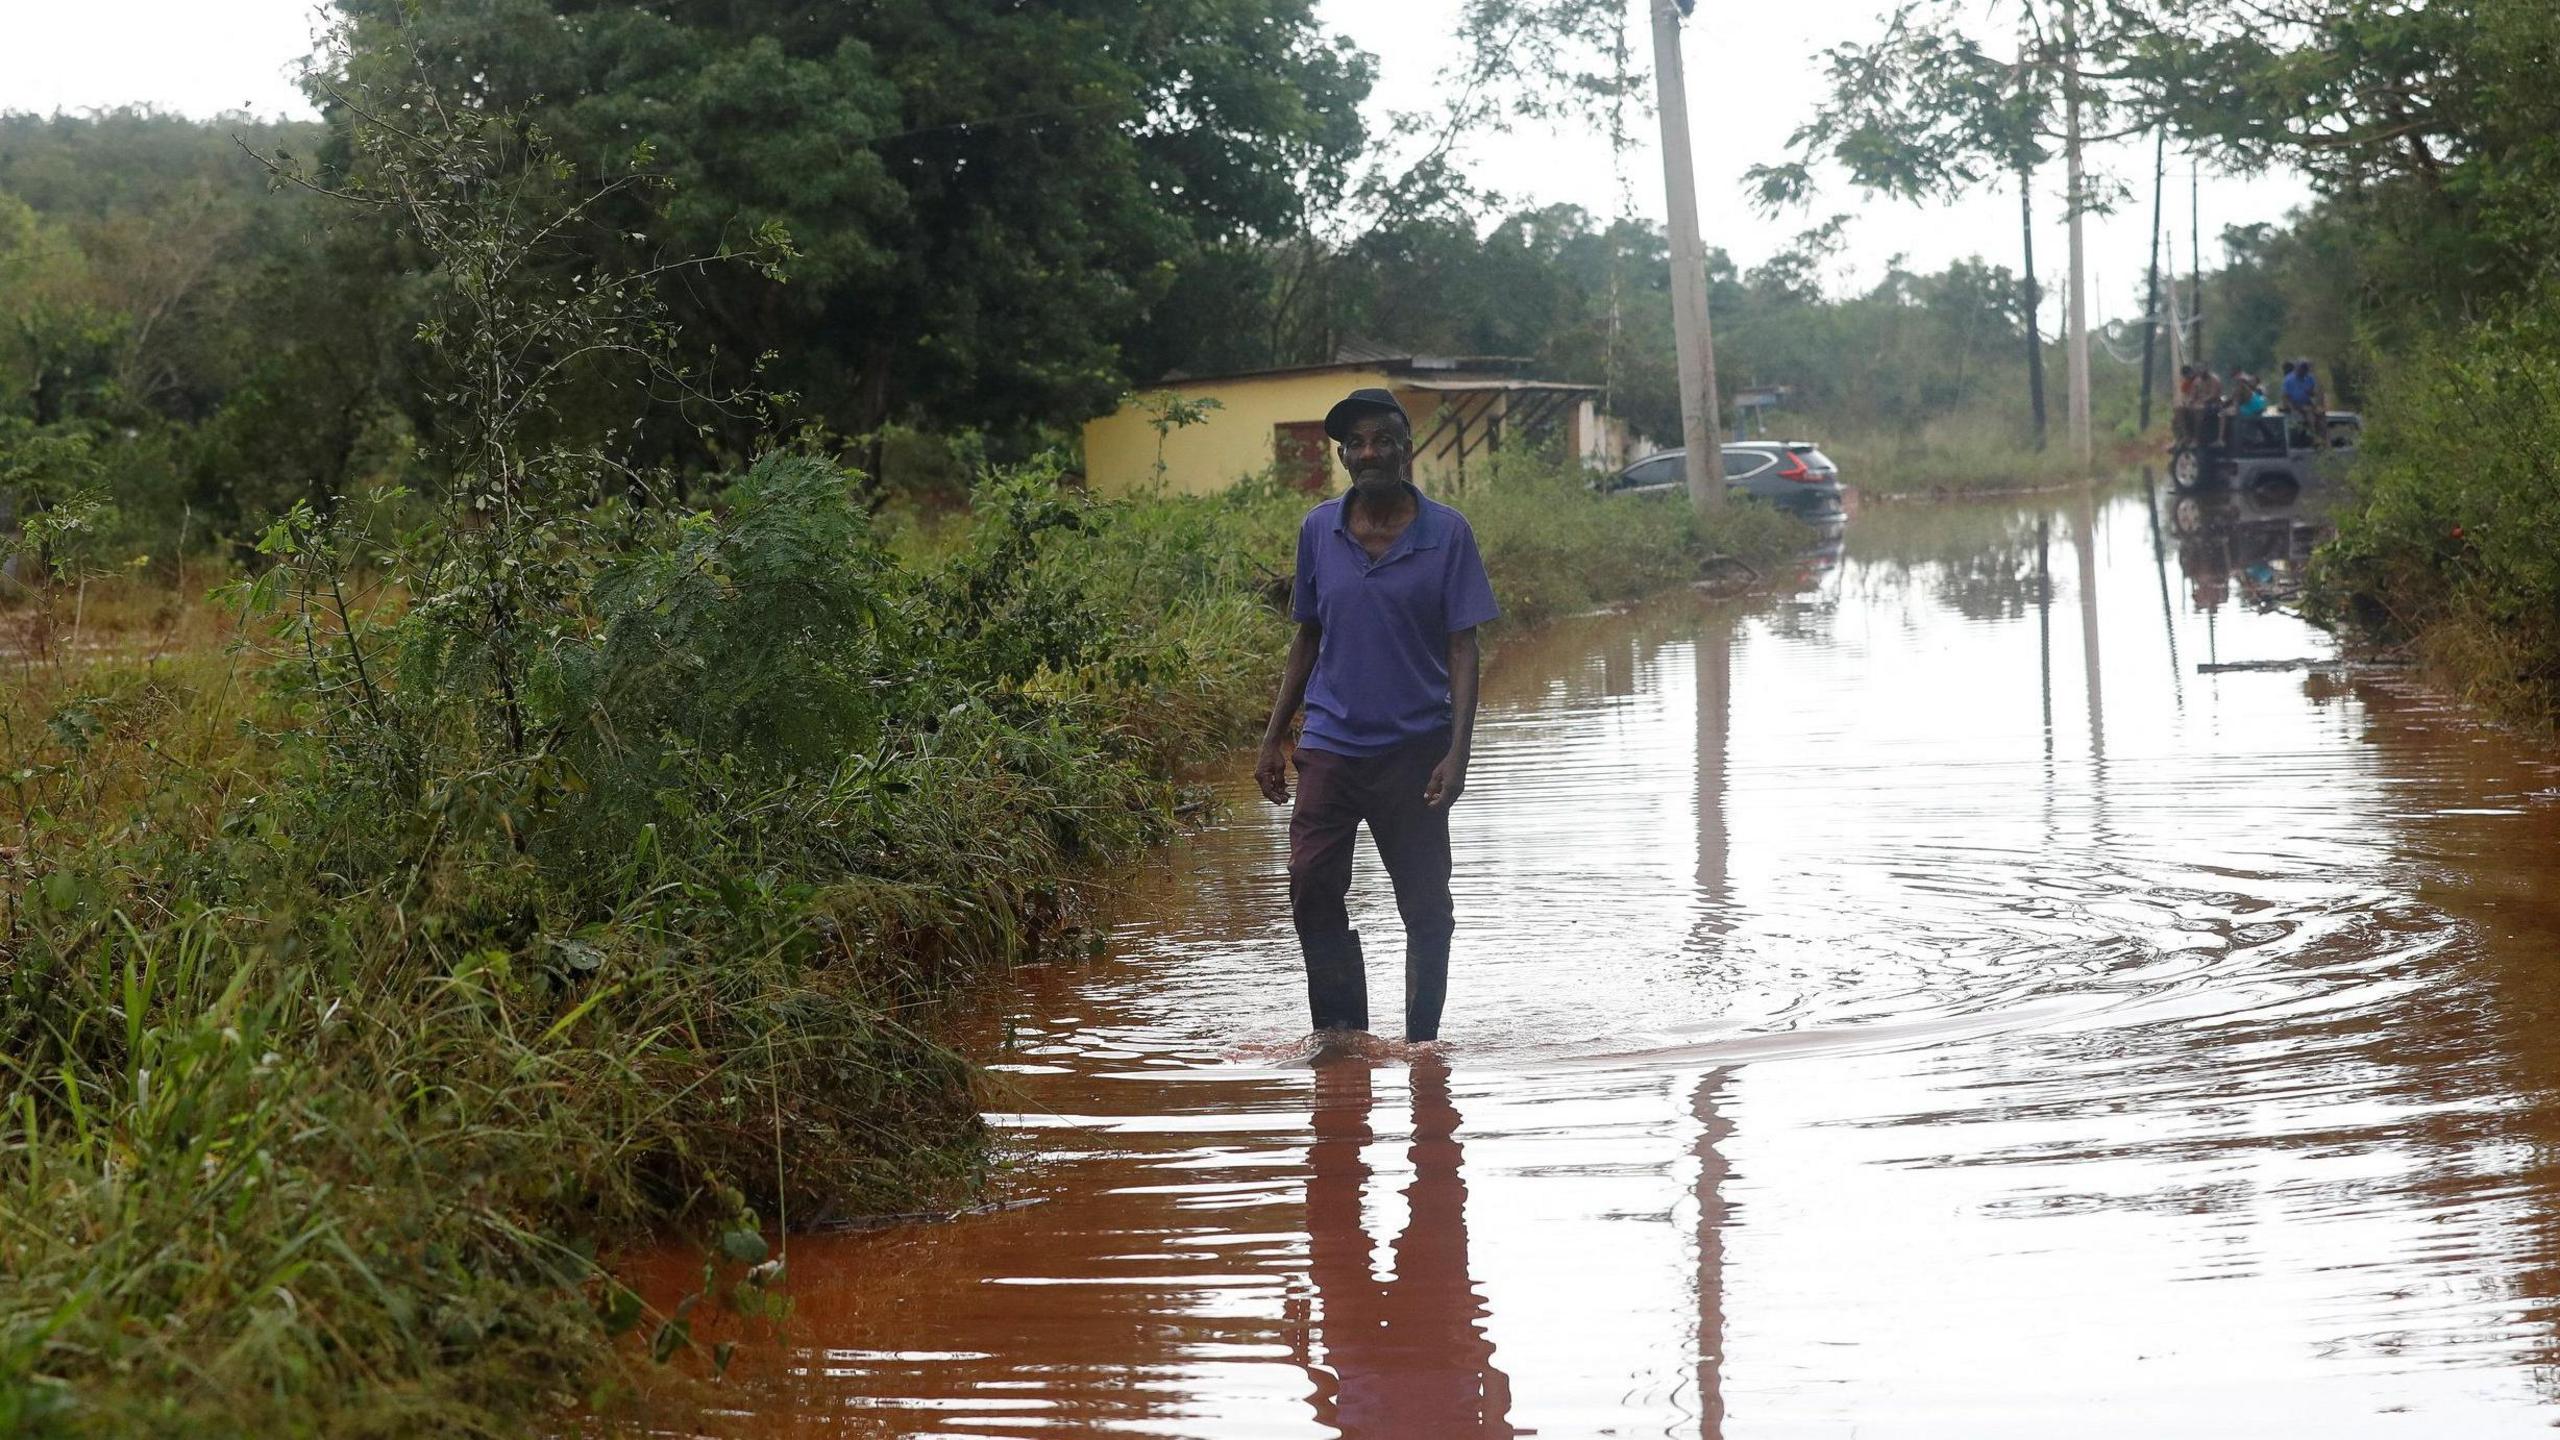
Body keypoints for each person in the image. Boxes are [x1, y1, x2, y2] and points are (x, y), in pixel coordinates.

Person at [1258, 387, 1500, 1044]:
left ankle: (1423, 1048)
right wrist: (1273, 736)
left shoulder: (1446, 534)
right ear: (1343, 454)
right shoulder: (1319, 529)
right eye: (1357, 442)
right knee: (1311, 884)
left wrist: (1458, 751)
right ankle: (1342, 1038)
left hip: (1415, 751)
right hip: (1331, 745)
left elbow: (1463, 645)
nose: (1371, 452)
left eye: (1383, 439)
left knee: (1426, 908)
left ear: (1405, 448)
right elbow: (1306, 635)